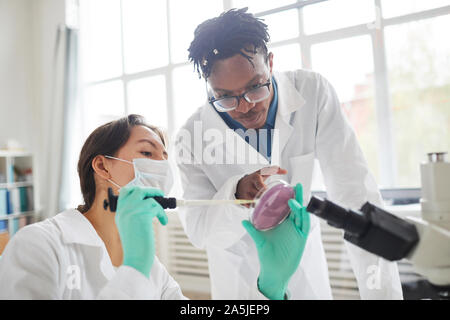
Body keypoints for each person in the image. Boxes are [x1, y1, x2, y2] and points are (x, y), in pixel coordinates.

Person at [175, 8, 403, 300]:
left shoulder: (312, 92)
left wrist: (383, 295)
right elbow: (199, 231)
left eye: (255, 87)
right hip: (242, 287)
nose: (245, 106)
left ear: (270, 63)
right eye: (225, 97)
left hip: (307, 278)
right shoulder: (191, 136)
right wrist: (236, 197)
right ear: (209, 88)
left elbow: (357, 196)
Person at [0, 114, 309, 300]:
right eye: (147, 152)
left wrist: (269, 287)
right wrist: (133, 269)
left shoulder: (155, 271)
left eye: (164, 158)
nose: (161, 167)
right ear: (103, 167)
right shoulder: (40, 244)